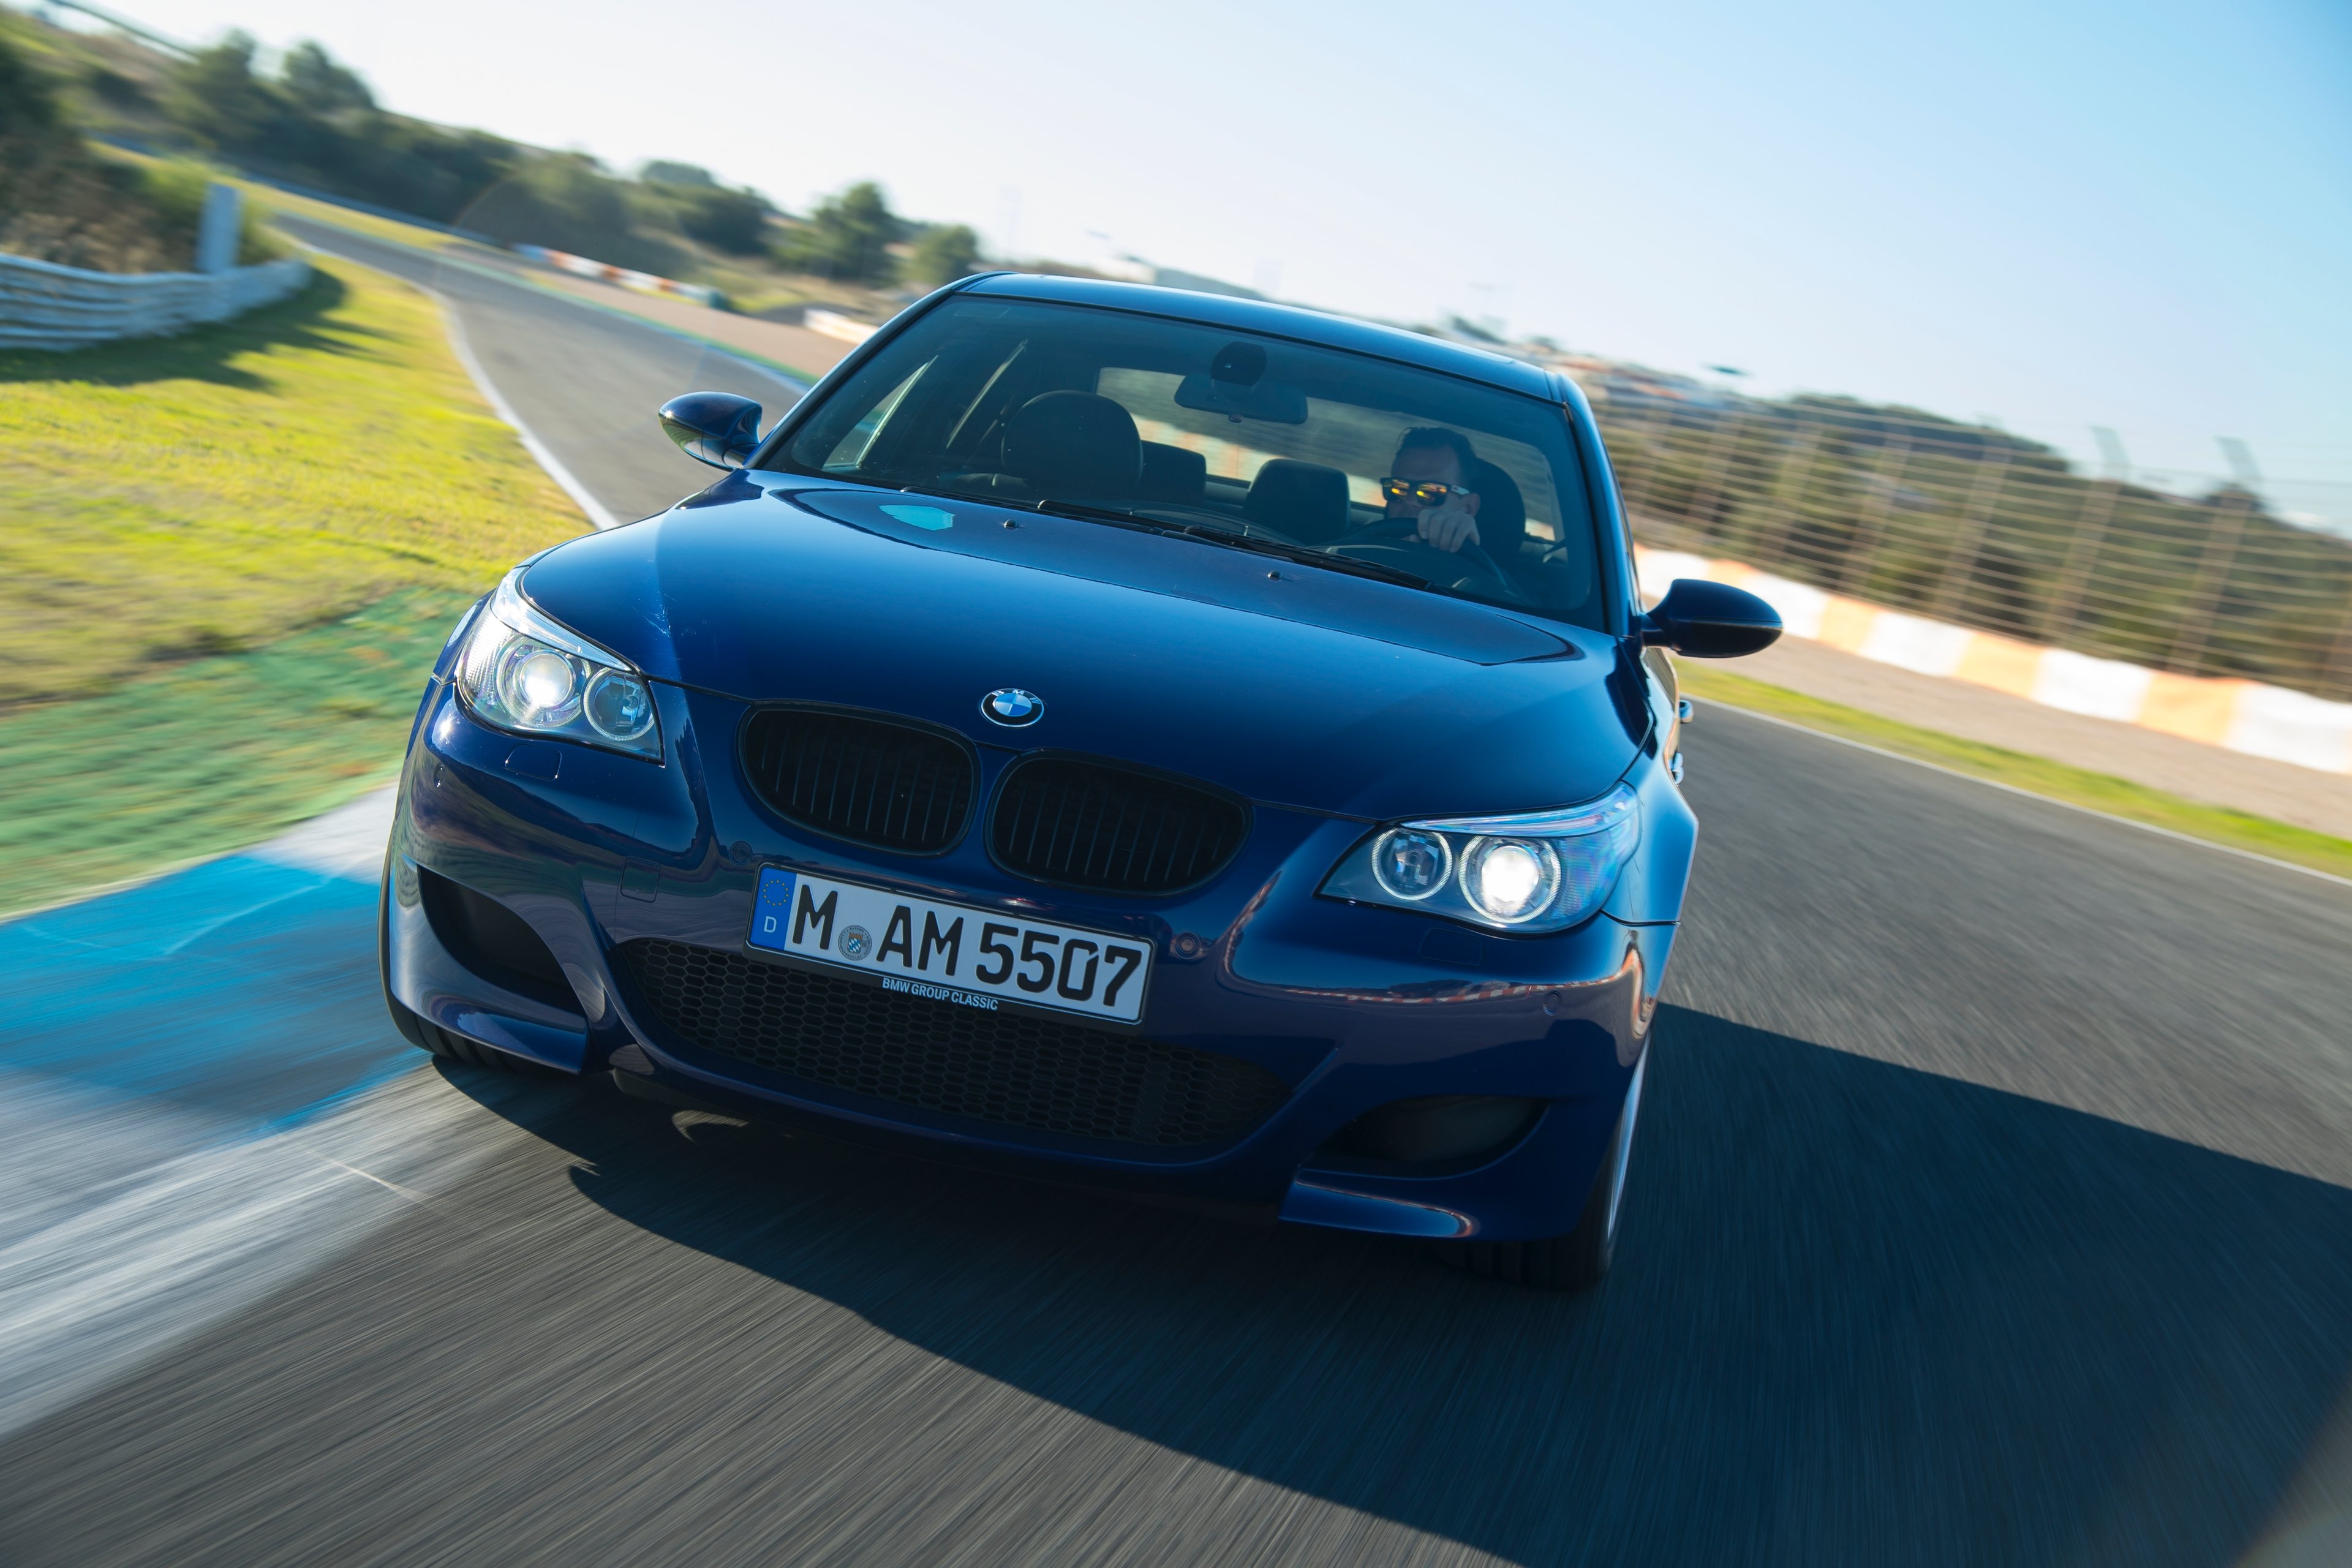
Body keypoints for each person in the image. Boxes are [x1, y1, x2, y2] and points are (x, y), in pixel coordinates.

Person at [1382, 427, 1483, 554]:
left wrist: (1466, 555)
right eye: (1399, 488)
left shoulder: (1478, 572)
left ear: (1469, 507)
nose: (1410, 500)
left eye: (1431, 492)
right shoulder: (1359, 545)